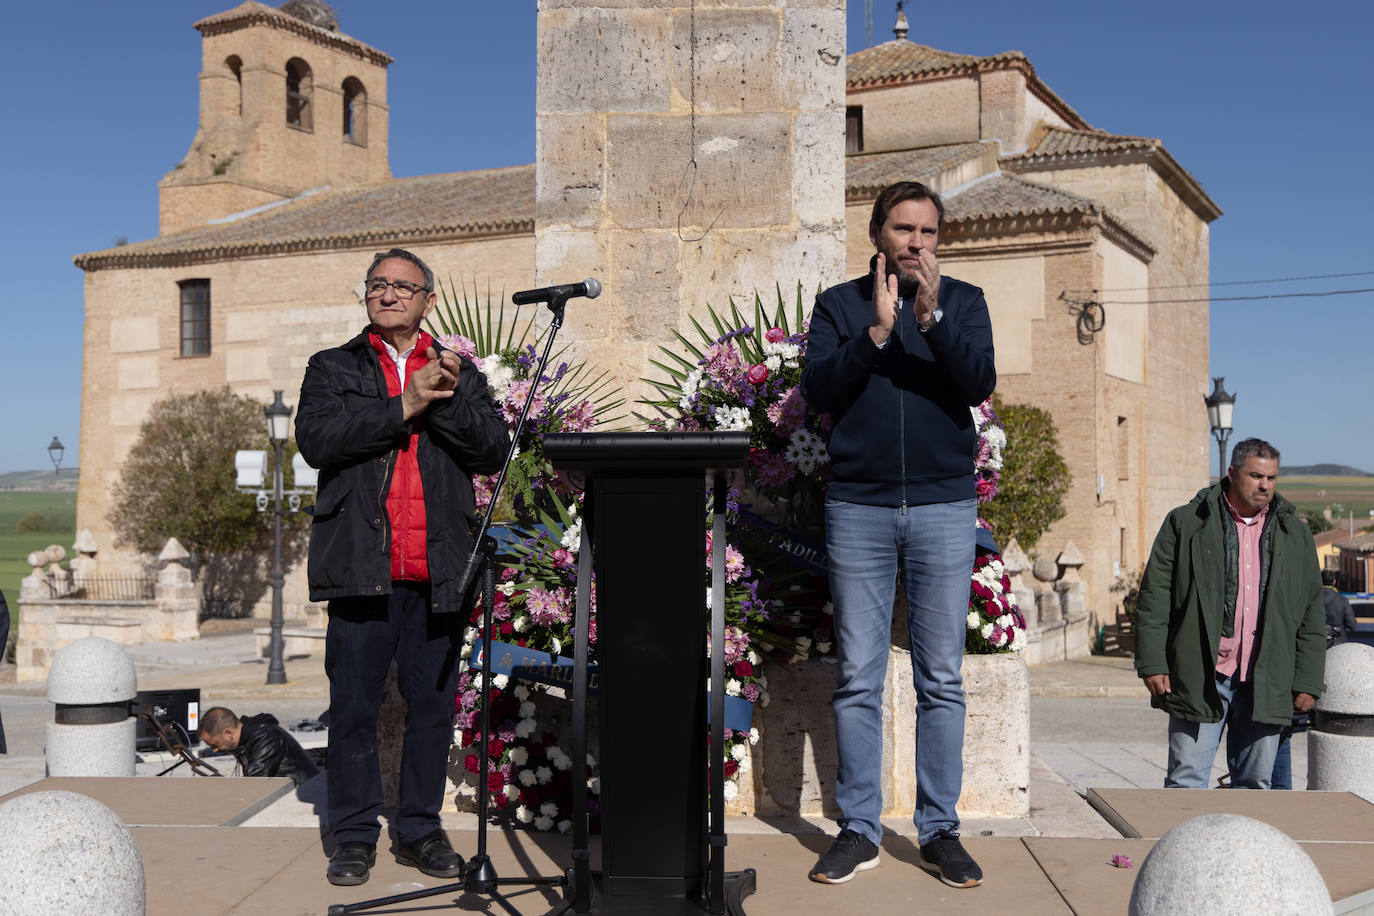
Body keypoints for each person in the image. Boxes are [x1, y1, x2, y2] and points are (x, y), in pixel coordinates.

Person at [801, 181, 996, 889]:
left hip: (944, 507)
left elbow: (977, 384)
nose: (919, 242)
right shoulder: (839, 305)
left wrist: (931, 318)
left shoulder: (965, 302)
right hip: (858, 507)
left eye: (931, 231)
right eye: (906, 229)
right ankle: (858, 828)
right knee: (859, 676)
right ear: (878, 232)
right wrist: (878, 334)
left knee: (941, 677)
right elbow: (818, 391)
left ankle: (939, 830)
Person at [296, 248, 509, 887]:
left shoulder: (455, 371)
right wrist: (403, 405)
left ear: (427, 300)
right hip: (361, 566)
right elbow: (318, 443)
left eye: (403, 286)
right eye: (378, 284)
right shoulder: (332, 367)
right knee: (354, 708)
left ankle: (419, 829)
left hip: (437, 568)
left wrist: (438, 399)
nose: (388, 295)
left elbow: (493, 447)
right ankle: (355, 835)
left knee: (432, 707)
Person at [1134, 438, 1326, 789]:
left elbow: (1312, 612)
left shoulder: (1295, 534)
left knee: (1254, 786)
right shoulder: (1186, 523)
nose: (1264, 485)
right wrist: (1152, 662)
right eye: (1255, 475)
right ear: (1232, 473)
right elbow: (1155, 597)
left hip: (1266, 680)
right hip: (1201, 675)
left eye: (1271, 477)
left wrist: (1308, 681)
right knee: (1185, 780)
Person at [198, 705, 319, 786]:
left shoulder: (267, 737)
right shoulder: (246, 739)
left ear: (228, 733)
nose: (214, 750)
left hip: (301, 792)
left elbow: (255, 784)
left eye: (215, 744)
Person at [1323, 570, 1357, 646]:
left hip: (1317, 640)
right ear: (1334, 582)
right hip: (1338, 641)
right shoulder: (1342, 600)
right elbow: (1352, 625)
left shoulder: (1312, 599)